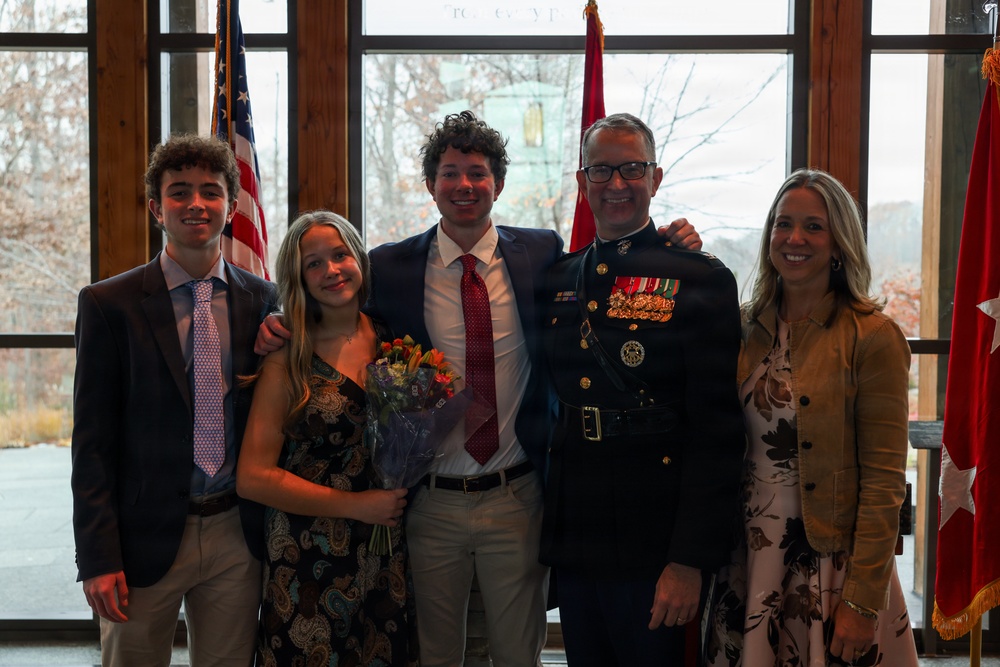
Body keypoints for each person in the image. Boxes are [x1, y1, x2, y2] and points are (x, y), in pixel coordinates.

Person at [254, 111, 701, 666]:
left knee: (519, 654)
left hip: (517, 493)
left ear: (499, 183)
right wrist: (279, 319)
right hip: (428, 502)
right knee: (436, 654)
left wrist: (669, 240)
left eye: (477, 172)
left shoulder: (540, 253)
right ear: (430, 185)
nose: (463, 185)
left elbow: (610, 272)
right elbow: (331, 307)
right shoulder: (390, 267)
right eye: (449, 173)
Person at [539, 112, 746, 666]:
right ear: (583, 183)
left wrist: (687, 560)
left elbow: (717, 432)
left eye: (632, 168)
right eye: (601, 171)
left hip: (656, 538)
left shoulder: (700, 279)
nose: (617, 184)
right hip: (579, 532)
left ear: (655, 177)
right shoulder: (560, 278)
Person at [71, 134, 278, 666]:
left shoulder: (263, 300)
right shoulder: (107, 305)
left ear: (232, 208)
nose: (195, 204)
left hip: (237, 533)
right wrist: (97, 556)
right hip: (142, 538)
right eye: (179, 192)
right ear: (154, 207)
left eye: (210, 192)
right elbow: (92, 445)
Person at [705, 169, 918, 666]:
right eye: (783, 224)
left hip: (829, 566)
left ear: (840, 242)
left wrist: (862, 603)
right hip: (747, 559)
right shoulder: (743, 328)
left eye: (813, 227)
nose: (794, 238)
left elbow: (886, 483)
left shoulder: (873, 336)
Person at [236, 211, 417, 666]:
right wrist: (358, 506)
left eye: (339, 256)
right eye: (313, 263)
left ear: (359, 258)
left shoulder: (394, 341)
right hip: (305, 558)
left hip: (382, 549)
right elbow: (253, 477)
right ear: (297, 278)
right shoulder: (287, 354)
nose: (331, 271)